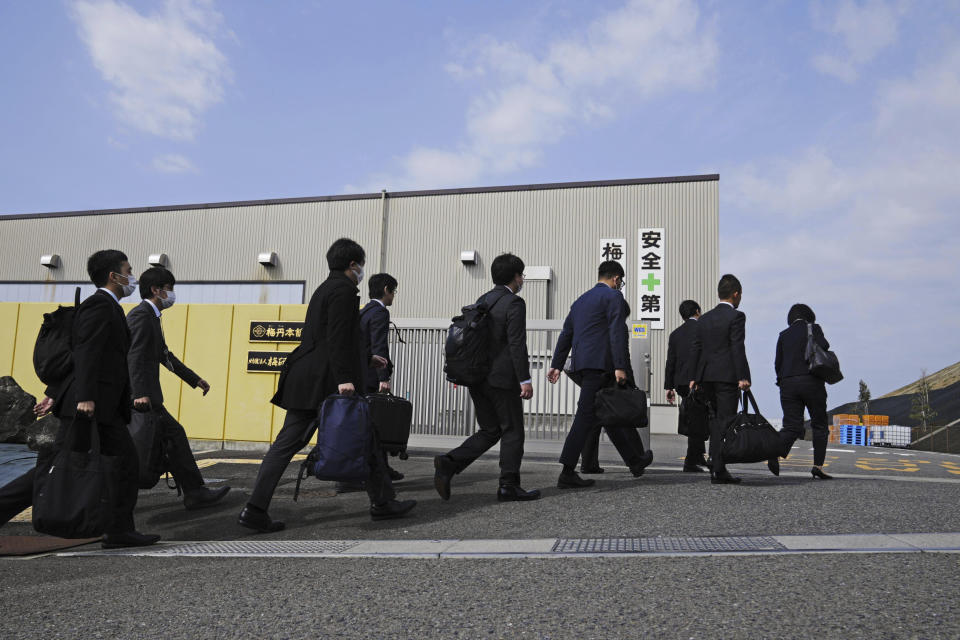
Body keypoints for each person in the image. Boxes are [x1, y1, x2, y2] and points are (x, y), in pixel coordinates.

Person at [238, 238, 415, 532]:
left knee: (363, 436)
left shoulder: (325, 288)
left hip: (307, 376)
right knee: (292, 444)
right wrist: (346, 377)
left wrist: (365, 358)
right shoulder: (344, 291)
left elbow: (335, 338)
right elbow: (335, 338)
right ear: (352, 264)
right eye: (361, 265)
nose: (361, 271)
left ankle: (382, 502)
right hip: (324, 381)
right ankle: (255, 509)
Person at [0, 250, 160, 548]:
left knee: (122, 464)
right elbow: (86, 352)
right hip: (90, 406)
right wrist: (84, 397)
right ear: (114, 276)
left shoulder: (107, 307)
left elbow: (81, 355)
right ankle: (118, 531)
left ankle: (118, 530)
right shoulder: (99, 306)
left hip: (103, 406)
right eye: (129, 270)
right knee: (61, 466)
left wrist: (52, 394)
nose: (132, 276)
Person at [433, 253, 541, 503]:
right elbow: (516, 344)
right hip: (502, 379)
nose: (522, 280)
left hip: (477, 377)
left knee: (490, 430)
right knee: (512, 430)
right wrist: (524, 379)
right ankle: (508, 485)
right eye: (521, 275)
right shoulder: (514, 303)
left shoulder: (483, 300)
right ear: (515, 277)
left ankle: (450, 463)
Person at [126, 267, 231, 509]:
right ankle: (195, 492)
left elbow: (164, 355)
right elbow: (135, 357)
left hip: (147, 397)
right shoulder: (142, 317)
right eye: (170, 289)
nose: (172, 294)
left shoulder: (150, 316)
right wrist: (139, 393)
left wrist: (194, 380)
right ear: (156, 290)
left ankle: (195, 492)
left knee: (173, 438)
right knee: (161, 441)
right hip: (142, 399)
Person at [548, 261, 654, 489]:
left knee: (608, 415)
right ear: (616, 279)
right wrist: (619, 366)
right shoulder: (613, 297)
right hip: (601, 366)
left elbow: (567, 333)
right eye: (621, 281)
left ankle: (635, 462)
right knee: (586, 416)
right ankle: (567, 471)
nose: (620, 285)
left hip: (583, 365)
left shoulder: (580, 301)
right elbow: (616, 331)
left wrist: (556, 364)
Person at [688, 274, 777, 484]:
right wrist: (743, 376)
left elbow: (696, 349)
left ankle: (715, 464)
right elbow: (737, 347)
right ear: (735, 294)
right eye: (740, 295)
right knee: (726, 422)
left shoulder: (705, 318)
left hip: (706, 377)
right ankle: (719, 469)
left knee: (714, 422)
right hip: (726, 377)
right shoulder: (737, 317)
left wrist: (694, 377)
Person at [775, 303, 833, 479]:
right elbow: (824, 346)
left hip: (788, 383)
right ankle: (818, 466)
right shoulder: (813, 328)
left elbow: (778, 363)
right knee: (819, 424)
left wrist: (783, 382)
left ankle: (774, 452)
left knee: (792, 425)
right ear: (809, 316)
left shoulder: (783, 335)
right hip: (811, 381)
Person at [360, 272, 403, 482]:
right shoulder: (379, 312)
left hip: (361, 376)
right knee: (375, 426)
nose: (394, 296)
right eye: (393, 291)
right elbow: (379, 347)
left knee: (373, 426)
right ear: (386, 289)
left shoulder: (364, 311)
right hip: (371, 378)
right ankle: (377, 474)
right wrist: (383, 377)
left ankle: (383, 469)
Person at [665, 299, 710, 472]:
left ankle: (698, 456)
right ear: (697, 311)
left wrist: (669, 386)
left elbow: (671, 362)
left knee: (694, 418)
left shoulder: (675, 334)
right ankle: (691, 461)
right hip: (699, 381)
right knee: (700, 420)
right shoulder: (704, 330)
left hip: (682, 383)